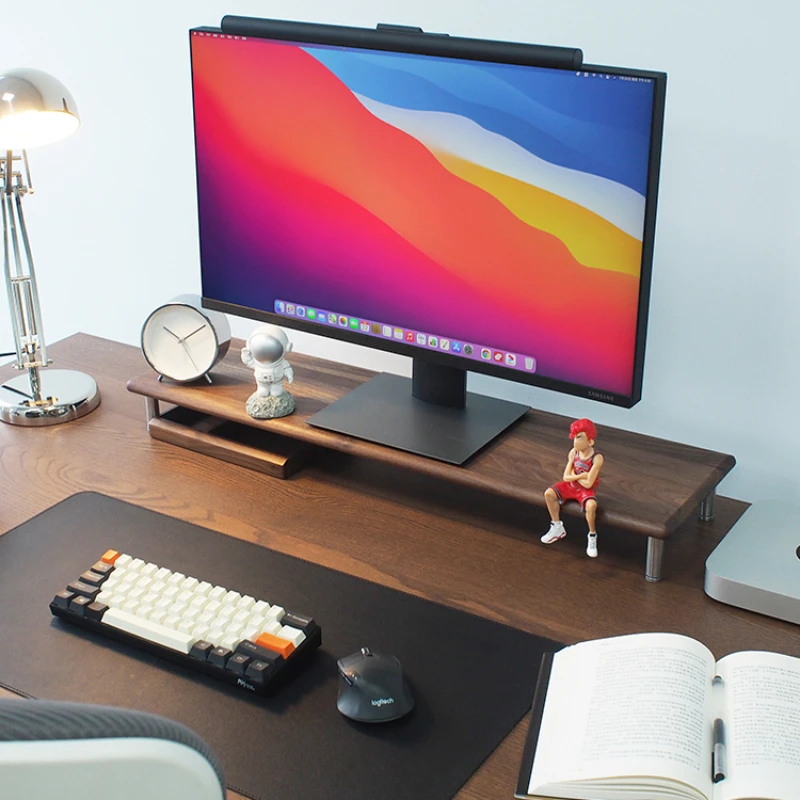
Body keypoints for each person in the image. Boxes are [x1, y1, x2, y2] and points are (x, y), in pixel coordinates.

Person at [541, 418, 604, 558]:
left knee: (592, 505)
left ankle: (592, 535)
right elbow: (566, 477)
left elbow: (588, 484)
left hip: (585, 491)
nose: (575, 441)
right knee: (549, 494)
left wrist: (576, 477)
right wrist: (581, 476)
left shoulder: (597, 458)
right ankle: (557, 526)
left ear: (590, 441)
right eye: (575, 437)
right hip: (571, 486)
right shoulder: (573, 453)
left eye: (579, 438)